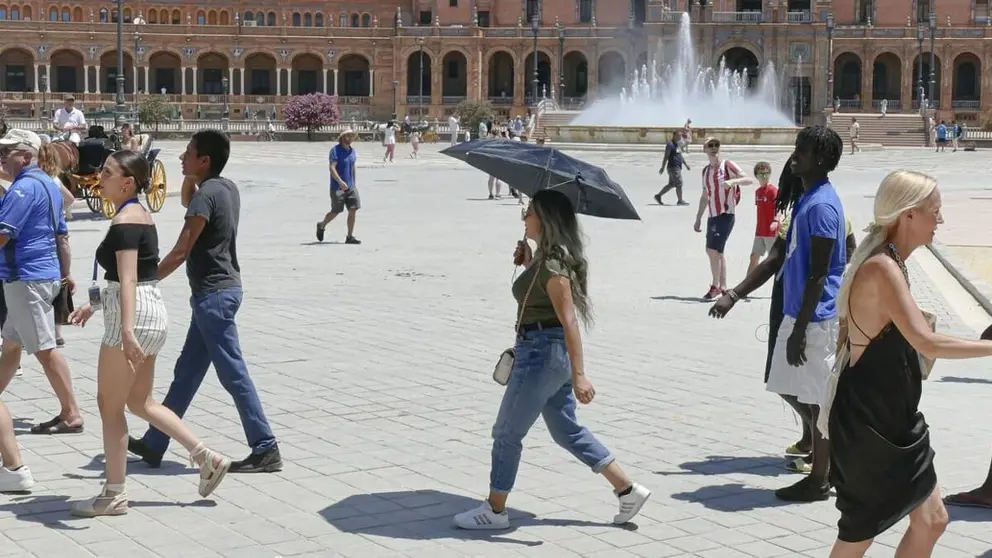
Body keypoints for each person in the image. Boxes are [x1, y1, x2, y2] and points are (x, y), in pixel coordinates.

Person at [453, 190, 650, 530]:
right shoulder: (548, 260)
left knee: (506, 432)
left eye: (528, 212)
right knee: (566, 431)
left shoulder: (555, 265)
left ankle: (495, 510)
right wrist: (528, 262)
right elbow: (543, 296)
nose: (523, 218)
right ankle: (627, 489)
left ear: (543, 219)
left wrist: (580, 376)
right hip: (546, 354)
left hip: (540, 355)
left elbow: (569, 320)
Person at [818, 170, 975, 557]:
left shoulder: (891, 262)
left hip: (895, 419)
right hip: (870, 424)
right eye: (934, 211)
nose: (939, 220)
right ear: (908, 215)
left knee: (931, 519)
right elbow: (927, 341)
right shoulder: (882, 268)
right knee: (859, 533)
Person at [68, 151, 231, 516]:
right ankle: (206, 457)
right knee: (140, 402)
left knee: (109, 406)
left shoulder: (125, 220)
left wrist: (125, 330)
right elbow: (127, 276)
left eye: (107, 172)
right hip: (151, 311)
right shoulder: (141, 216)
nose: (100, 176)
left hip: (133, 319)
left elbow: (127, 277)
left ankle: (113, 494)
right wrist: (91, 306)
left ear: (127, 182)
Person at [128, 130, 281, 473]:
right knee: (186, 374)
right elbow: (188, 201)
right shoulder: (224, 189)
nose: (182, 157)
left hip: (213, 296)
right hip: (218, 293)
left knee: (234, 374)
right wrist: (190, 176)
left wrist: (140, 281)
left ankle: (265, 446)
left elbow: (181, 250)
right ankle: (155, 442)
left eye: (188, 153)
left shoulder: (205, 197)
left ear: (205, 160)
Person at [0, 129, 84, 435]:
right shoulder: (49, 185)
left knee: (45, 349)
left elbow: (3, 233)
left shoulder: (22, 190)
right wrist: (65, 274)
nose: (2, 157)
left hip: (25, 278)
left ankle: (71, 413)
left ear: (25, 157)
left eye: (6, 152)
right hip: (43, 276)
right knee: (11, 347)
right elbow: (62, 237)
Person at [693, 137, 750, 300]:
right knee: (717, 252)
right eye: (710, 145)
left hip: (726, 214)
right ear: (704, 149)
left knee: (712, 250)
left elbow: (748, 179)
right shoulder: (705, 171)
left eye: (716, 145)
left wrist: (734, 181)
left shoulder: (728, 165)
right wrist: (698, 218)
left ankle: (715, 286)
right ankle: (723, 287)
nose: (714, 148)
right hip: (712, 215)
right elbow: (705, 196)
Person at [36, 143, 76, 347]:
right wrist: (60, 211)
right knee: (60, 280)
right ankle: (58, 330)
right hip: (59, 232)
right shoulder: (54, 180)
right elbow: (70, 198)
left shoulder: (35, 180)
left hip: (44, 234)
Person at [316, 129, 361, 245]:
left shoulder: (352, 151)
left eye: (352, 136)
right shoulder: (335, 151)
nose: (350, 138)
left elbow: (352, 167)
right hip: (337, 187)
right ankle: (322, 224)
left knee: (353, 209)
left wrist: (353, 183)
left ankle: (349, 236)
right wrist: (340, 181)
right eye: (348, 136)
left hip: (351, 187)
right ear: (342, 137)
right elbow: (332, 168)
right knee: (336, 211)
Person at [748, 162, 779, 277]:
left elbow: (779, 208)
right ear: (756, 176)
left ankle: (782, 288)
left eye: (766, 173)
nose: (764, 176)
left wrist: (776, 220)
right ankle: (745, 288)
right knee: (753, 257)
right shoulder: (758, 192)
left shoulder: (773, 190)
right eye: (761, 174)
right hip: (760, 231)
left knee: (775, 261)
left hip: (771, 232)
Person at [653, 130, 691, 206]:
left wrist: (686, 164)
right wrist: (662, 167)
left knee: (671, 184)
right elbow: (666, 156)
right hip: (673, 167)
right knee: (679, 184)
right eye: (678, 135)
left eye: (680, 136)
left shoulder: (677, 144)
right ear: (674, 135)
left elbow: (680, 156)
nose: (680, 137)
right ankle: (680, 201)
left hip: (677, 167)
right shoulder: (670, 144)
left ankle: (658, 196)